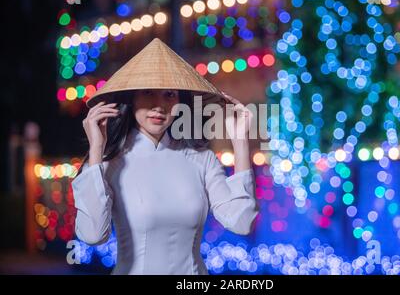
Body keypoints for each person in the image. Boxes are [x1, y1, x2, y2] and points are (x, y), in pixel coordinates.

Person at [71, 38, 259, 274]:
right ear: (132, 98)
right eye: (148, 92)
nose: (159, 106)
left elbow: (242, 222)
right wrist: (96, 150)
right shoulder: (109, 165)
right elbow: (92, 234)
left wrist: (240, 141)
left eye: (169, 94)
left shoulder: (202, 159)